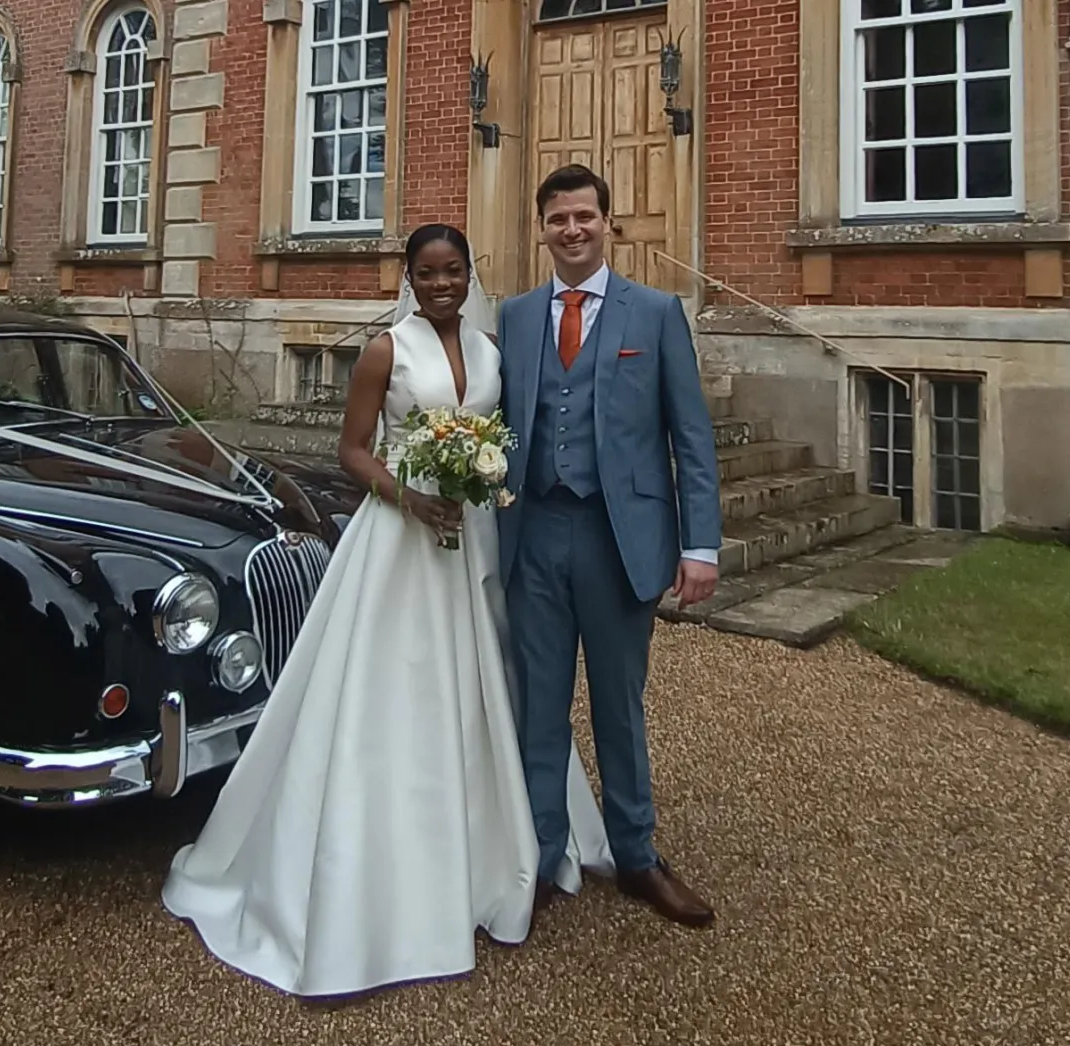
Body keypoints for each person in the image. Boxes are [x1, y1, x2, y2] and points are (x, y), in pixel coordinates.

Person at [161, 223, 613, 1000]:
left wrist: (480, 475)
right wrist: (409, 495)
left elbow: (497, 433)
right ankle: (388, 870)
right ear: (409, 276)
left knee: (488, 679)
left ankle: (499, 843)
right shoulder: (384, 350)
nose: (442, 283)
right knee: (394, 685)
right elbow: (354, 451)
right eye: (428, 273)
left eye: (454, 271)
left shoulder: (492, 349)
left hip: (472, 537)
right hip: (401, 536)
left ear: (471, 274)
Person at [497, 163, 724, 927]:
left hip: (620, 537)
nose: (572, 230)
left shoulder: (655, 313)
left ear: (607, 223)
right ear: (541, 228)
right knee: (539, 707)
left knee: (619, 707)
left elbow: (690, 438)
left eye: (585, 217)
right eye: (558, 219)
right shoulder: (518, 315)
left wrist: (702, 547)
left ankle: (637, 856)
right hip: (534, 535)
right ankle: (539, 851)